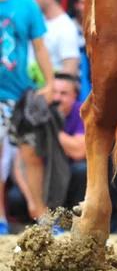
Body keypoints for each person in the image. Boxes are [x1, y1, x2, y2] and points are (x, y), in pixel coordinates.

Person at [0, 0, 54, 234]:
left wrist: (50, 83)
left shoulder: (26, 5)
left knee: (31, 154)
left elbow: (40, 46)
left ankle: (39, 214)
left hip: (21, 94)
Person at [19, 73, 87, 219]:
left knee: (82, 170)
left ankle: (77, 219)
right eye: (53, 92)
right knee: (16, 198)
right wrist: (33, 202)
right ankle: (42, 220)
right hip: (43, 178)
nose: (56, 98)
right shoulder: (36, 114)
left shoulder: (82, 111)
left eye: (63, 93)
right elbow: (19, 163)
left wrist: (52, 128)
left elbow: (79, 152)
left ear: (74, 95)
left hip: (72, 176)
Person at [33, 0, 80, 77]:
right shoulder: (40, 20)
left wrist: (50, 84)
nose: (34, 0)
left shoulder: (66, 27)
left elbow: (70, 68)